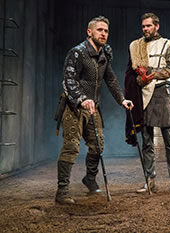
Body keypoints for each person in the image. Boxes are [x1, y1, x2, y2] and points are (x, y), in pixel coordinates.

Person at [55, 16, 133, 204]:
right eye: (100, 30)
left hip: (93, 108)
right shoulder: (78, 53)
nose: (103, 33)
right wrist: (82, 99)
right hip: (74, 107)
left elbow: (111, 80)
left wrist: (122, 100)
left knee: (98, 146)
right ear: (89, 32)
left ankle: (89, 179)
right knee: (71, 146)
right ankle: (62, 191)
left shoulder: (104, 55)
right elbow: (69, 80)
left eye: (106, 31)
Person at [125, 13, 170, 193]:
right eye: (143, 26)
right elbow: (131, 73)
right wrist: (138, 80)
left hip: (161, 93)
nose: (145, 29)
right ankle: (149, 180)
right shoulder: (136, 46)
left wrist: (151, 73)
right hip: (143, 95)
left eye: (149, 26)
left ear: (156, 26)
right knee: (147, 141)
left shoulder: (168, 43)